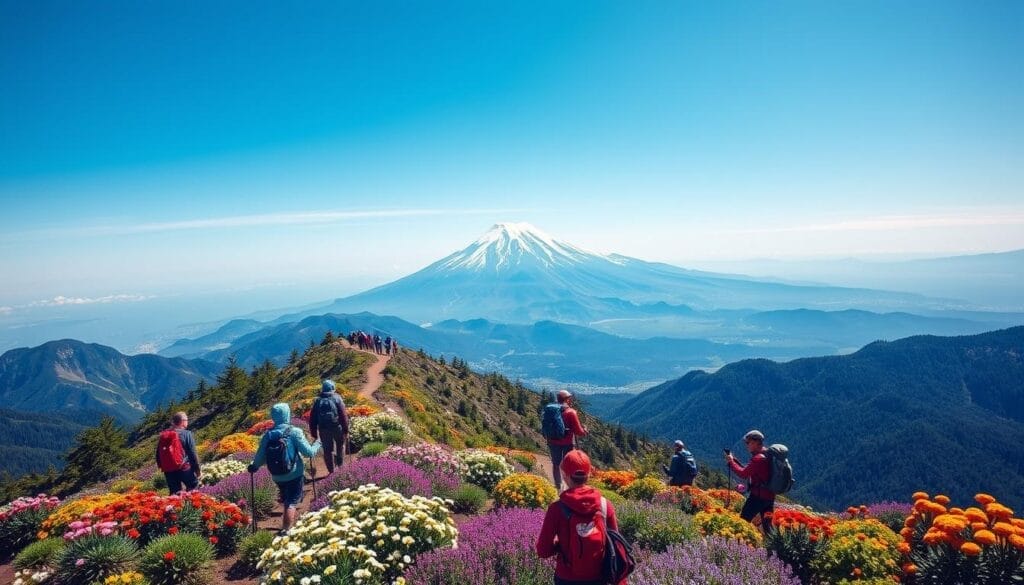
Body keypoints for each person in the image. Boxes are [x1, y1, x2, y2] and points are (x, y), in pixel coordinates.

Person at [536, 450, 625, 585]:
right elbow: (616, 546)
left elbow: (543, 551)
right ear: (588, 474)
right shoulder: (605, 505)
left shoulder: (556, 509)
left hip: (566, 578)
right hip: (599, 577)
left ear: (564, 475)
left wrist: (561, 546)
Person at [248, 403, 321, 533]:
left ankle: (286, 518)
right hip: (294, 473)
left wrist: (254, 467)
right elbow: (308, 453)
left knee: (287, 497)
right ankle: (286, 530)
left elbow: (260, 457)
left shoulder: (268, 435)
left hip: (277, 475)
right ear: (287, 414)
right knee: (291, 502)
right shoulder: (295, 432)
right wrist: (317, 443)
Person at [725, 429, 775, 528]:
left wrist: (731, 462)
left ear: (756, 442)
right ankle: (774, 543)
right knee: (768, 527)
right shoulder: (767, 454)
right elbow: (750, 470)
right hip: (770, 497)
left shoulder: (758, 459)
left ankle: (739, 542)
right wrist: (734, 460)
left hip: (757, 497)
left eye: (748, 442)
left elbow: (743, 474)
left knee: (743, 522)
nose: (747, 445)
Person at [547, 390, 588, 491]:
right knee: (570, 464)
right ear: (567, 399)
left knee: (556, 464)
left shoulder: (551, 411)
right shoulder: (571, 412)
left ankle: (558, 486)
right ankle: (570, 488)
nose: (571, 400)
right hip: (567, 443)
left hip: (553, 441)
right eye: (570, 398)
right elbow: (579, 432)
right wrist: (585, 431)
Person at [309, 379, 349, 474]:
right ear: (332, 388)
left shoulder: (318, 401)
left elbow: (312, 418)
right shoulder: (337, 398)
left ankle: (332, 471)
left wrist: (314, 433)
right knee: (340, 445)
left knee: (327, 450)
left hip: (323, 429)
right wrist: (345, 430)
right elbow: (343, 415)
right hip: (337, 427)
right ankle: (341, 466)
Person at [156, 411, 202, 493]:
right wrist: (197, 470)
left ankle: (175, 505)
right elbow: (192, 454)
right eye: (187, 420)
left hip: (168, 470)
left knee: (174, 493)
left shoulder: (164, 435)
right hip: (184, 468)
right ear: (183, 421)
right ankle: (191, 505)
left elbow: (158, 455)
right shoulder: (186, 434)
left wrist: (164, 467)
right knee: (193, 487)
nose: (187, 422)